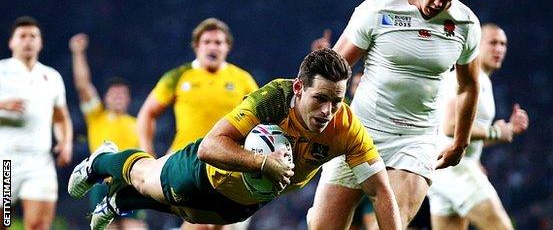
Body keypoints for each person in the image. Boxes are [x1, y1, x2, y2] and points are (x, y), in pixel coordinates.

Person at [68, 48, 402, 230]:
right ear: (299, 89)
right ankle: (102, 160)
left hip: (241, 203)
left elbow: (381, 191)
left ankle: (117, 202)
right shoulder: (274, 98)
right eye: (320, 99)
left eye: (337, 101)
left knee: (190, 215)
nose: (328, 111)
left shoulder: (347, 129)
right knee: (144, 178)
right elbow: (212, 147)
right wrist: (262, 162)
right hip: (203, 171)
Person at [307, 0, 482, 228]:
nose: (437, 3)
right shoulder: (379, 8)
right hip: (359, 133)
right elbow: (335, 69)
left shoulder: (466, 24)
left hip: (416, 140)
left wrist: (460, 143)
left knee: (391, 224)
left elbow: (468, 86)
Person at [427, 23, 529, 230]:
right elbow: (451, 126)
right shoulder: (467, 77)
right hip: (456, 169)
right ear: (475, 44)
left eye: (503, 44)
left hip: (441, 169)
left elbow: (463, 137)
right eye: (492, 43)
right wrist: (496, 131)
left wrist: (506, 131)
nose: (499, 49)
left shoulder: (482, 81)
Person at [137, 17, 258, 156]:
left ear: (227, 47)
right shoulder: (177, 76)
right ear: (196, 46)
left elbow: (260, 117)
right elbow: (147, 113)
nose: (212, 47)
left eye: (218, 43)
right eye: (206, 42)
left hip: (227, 158)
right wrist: (147, 153)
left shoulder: (243, 79)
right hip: (184, 157)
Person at [0, 16, 73, 229]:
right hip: (6, 162)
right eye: (22, 36)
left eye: (33, 36)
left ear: (40, 43)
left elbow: (60, 117)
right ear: (11, 42)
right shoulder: (1, 71)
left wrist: (65, 142)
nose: (28, 41)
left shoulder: (52, 77)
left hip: (39, 163)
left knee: (39, 226)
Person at [69, 33, 147, 229]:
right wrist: (78, 52)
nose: (119, 97)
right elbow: (83, 86)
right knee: (107, 227)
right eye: (114, 93)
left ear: (129, 99)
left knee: (135, 226)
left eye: (123, 94)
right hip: (101, 183)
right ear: (105, 97)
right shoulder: (96, 116)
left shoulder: (137, 123)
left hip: (130, 182)